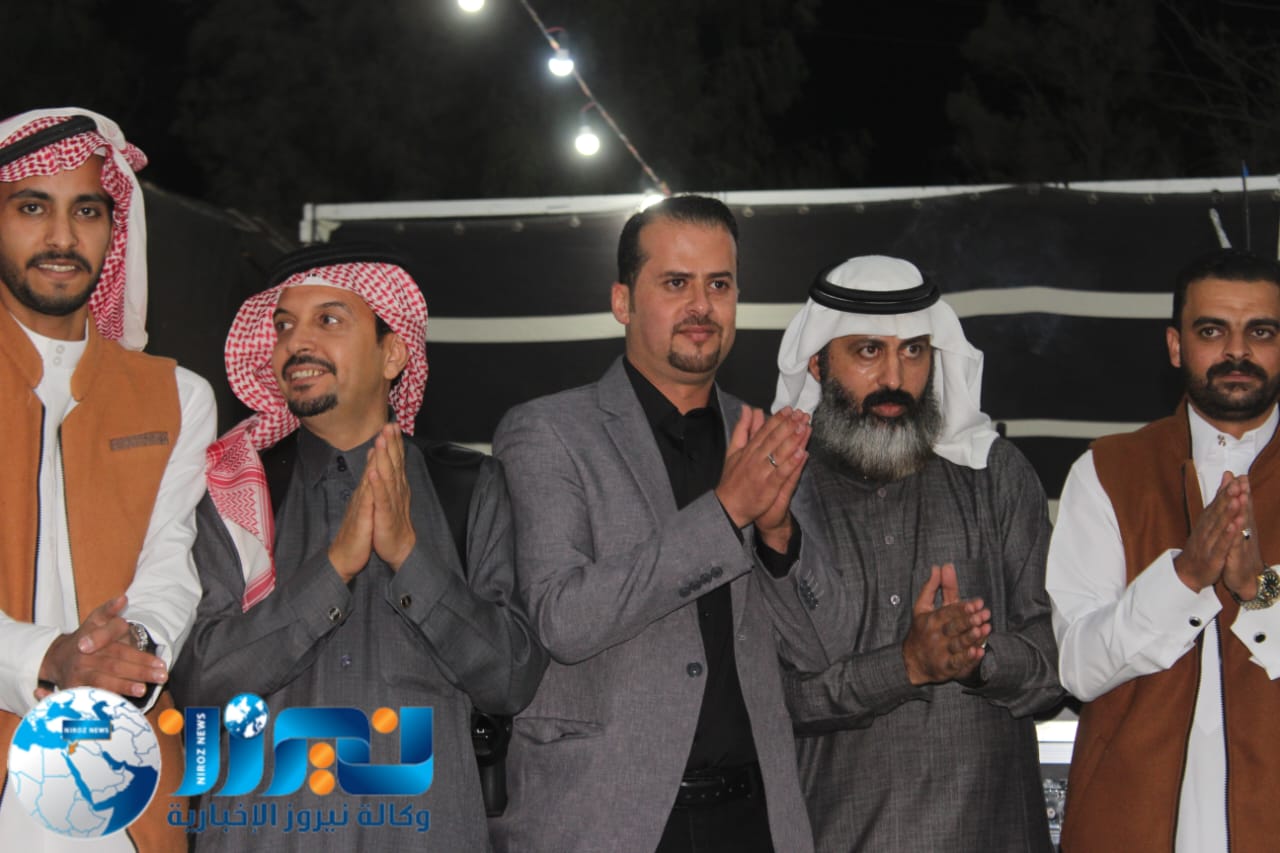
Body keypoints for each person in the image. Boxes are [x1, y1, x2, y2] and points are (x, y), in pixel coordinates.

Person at [491, 195, 850, 853]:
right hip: (604, 820)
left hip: (753, 821)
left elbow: (822, 647)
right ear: (623, 301)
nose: (701, 306)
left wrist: (778, 538)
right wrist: (726, 513)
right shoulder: (548, 432)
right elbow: (563, 619)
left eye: (720, 284)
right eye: (676, 283)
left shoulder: (762, 437)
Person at [170, 243, 547, 851]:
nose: (297, 342)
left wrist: (411, 561)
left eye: (329, 319)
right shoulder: (235, 489)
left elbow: (511, 680)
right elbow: (198, 684)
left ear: (393, 353)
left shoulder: (466, 488)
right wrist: (333, 569)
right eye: (284, 325)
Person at [776, 255, 1061, 851]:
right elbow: (771, 699)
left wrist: (977, 660)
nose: (895, 377)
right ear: (818, 362)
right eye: (867, 351)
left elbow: (1054, 670)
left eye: (913, 351)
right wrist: (906, 666)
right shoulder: (780, 495)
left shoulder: (994, 475)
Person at [0, 108, 215, 851]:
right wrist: (44, 659)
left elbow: (170, 564)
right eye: (33, 208)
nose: (63, 238)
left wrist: (127, 652)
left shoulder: (176, 396)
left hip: (123, 782)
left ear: (113, 228)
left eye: (87, 211)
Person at [1047, 248, 1280, 852]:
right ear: (1177, 346)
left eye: (1260, 332)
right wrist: (1183, 577)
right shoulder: (1109, 471)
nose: (1237, 352)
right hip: (1131, 827)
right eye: (1212, 331)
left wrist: (1259, 590)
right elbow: (1078, 667)